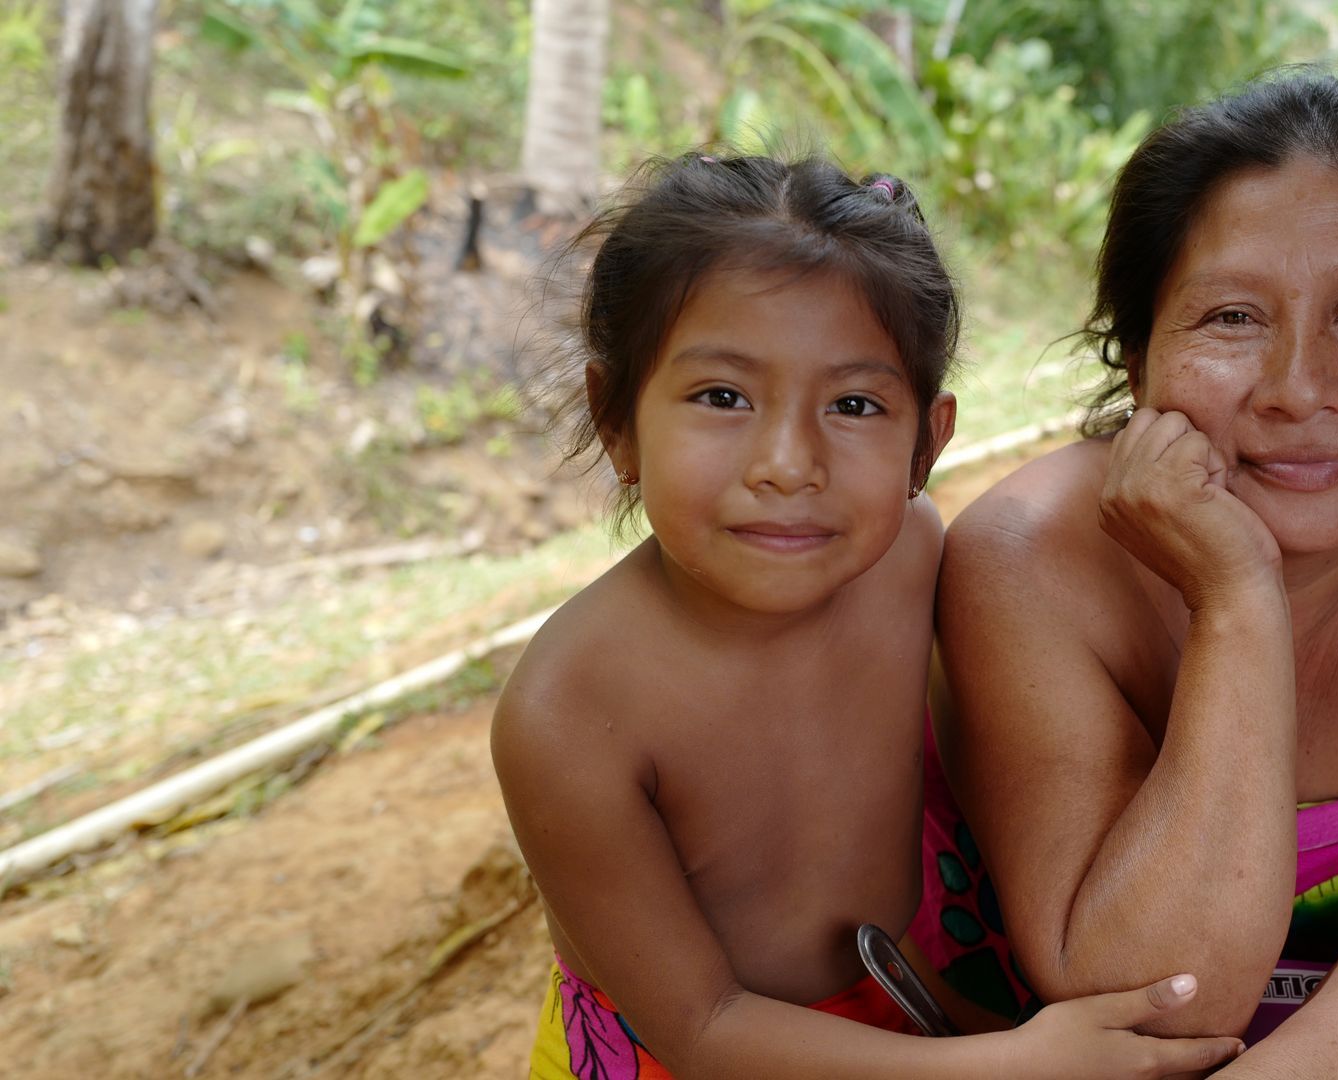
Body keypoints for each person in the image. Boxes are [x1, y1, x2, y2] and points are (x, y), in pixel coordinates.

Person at [491, 151, 1246, 1080]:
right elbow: (700, 1025)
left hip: (919, 986)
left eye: (853, 404)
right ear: (617, 420)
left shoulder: (912, 553)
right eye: (722, 397)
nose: (788, 462)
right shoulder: (570, 713)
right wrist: (1015, 1067)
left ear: (927, 442)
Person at [934, 71, 1338, 1076]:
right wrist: (1237, 601)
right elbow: (1151, 997)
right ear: (1136, 355)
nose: (1299, 389)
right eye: (1232, 318)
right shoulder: (1024, 557)